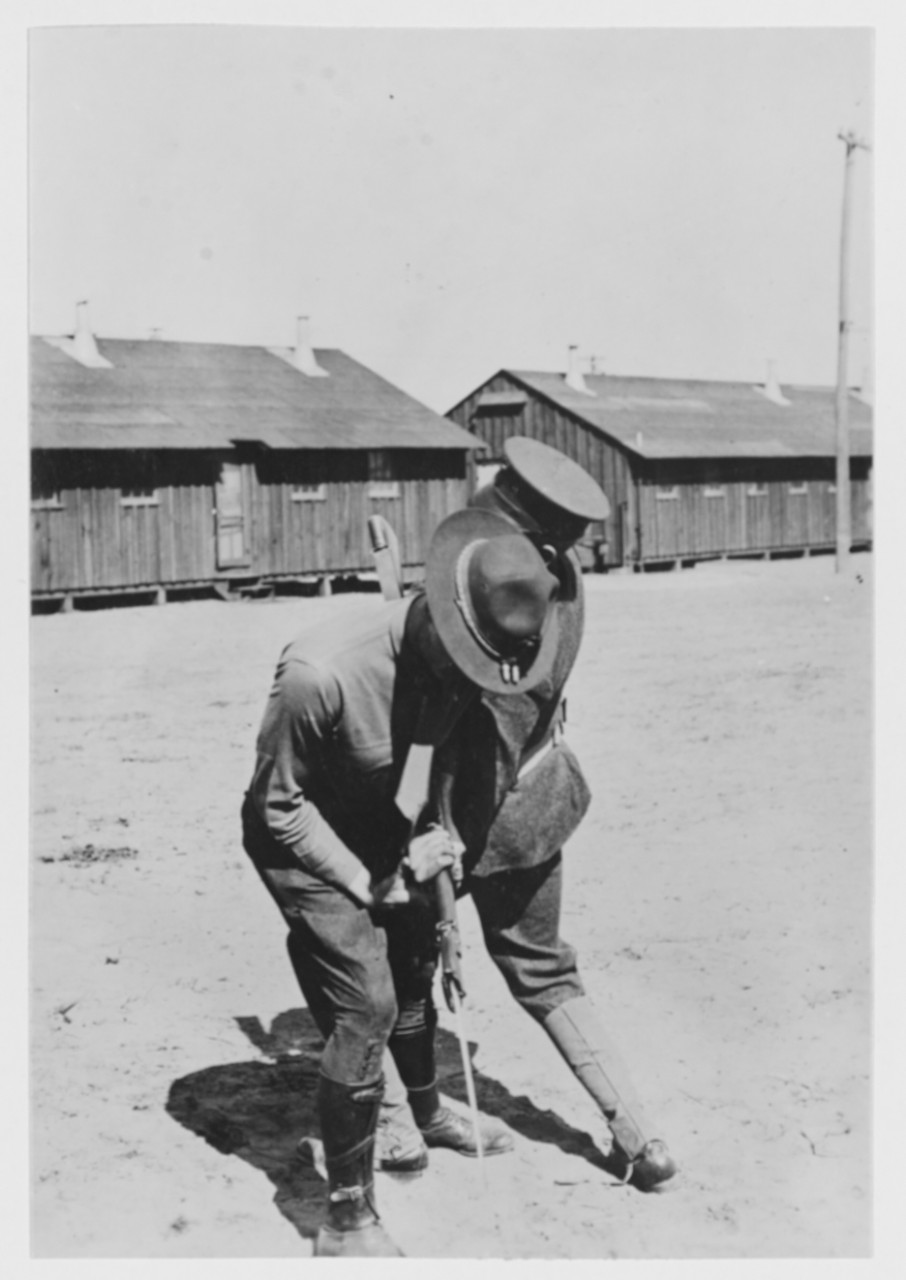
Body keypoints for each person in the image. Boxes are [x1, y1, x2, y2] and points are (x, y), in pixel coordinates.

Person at [241, 509, 562, 1257]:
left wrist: (426, 833)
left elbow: (425, 755)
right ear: (437, 615)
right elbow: (276, 808)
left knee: (415, 959)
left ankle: (426, 1113)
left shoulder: (461, 662)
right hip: (302, 838)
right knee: (367, 1003)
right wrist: (364, 883)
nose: (466, 681)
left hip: (380, 817)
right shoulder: (319, 674)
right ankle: (345, 1218)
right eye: (462, 662)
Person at [376, 437, 678, 1194]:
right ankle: (640, 1134)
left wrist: (434, 850)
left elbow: (466, 751)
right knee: (545, 971)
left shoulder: (492, 629)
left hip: (472, 816)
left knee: (393, 956)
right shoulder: (556, 584)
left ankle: (393, 1118)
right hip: (541, 807)